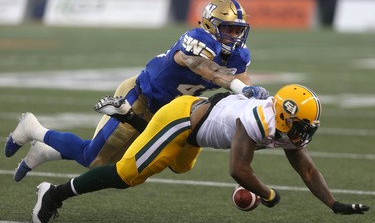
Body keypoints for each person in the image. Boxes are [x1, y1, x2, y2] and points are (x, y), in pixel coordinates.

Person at [4, 0, 270, 182]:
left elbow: (243, 82)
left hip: (170, 110)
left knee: (179, 165)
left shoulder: (238, 55)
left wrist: (253, 95)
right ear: (212, 25)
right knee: (95, 160)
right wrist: (238, 86)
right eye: (229, 29)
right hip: (140, 98)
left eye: (238, 30)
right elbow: (206, 68)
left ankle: (45, 151)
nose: (234, 36)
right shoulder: (196, 39)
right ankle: (33, 129)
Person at [29, 84, 369, 223]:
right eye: (300, 124)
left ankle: (135, 121)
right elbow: (238, 169)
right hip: (180, 120)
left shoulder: (285, 127)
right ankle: (53, 194)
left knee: (181, 168)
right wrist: (266, 193)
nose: (304, 132)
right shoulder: (256, 121)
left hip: (197, 131)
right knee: (127, 175)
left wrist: (334, 205)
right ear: (283, 116)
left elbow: (307, 171)